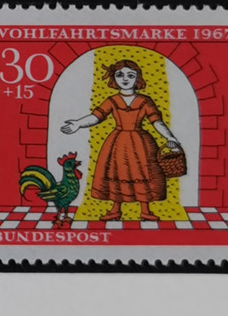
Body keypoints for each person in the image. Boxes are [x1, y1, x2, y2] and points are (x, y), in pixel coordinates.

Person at [60, 55, 173, 221]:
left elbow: (156, 122)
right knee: (117, 172)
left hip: (141, 144)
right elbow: (96, 117)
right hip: (118, 143)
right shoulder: (112, 100)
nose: (125, 79)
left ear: (138, 78)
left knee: (144, 172)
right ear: (114, 78)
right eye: (120, 75)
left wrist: (170, 137)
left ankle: (145, 211)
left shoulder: (145, 101)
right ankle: (115, 210)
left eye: (130, 75)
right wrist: (78, 123)